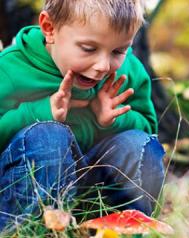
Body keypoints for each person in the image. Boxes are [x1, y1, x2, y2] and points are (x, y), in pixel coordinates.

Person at [0, 0, 165, 231]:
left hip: (94, 187)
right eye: (89, 48)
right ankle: (34, 230)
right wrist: (38, 112)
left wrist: (112, 120)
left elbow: (148, 130)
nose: (103, 65)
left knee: (136, 143)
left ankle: (124, 227)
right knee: (49, 136)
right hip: (28, 189)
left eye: (118, 51)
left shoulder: (129, 72)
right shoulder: (10, 70)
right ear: (49, 28)